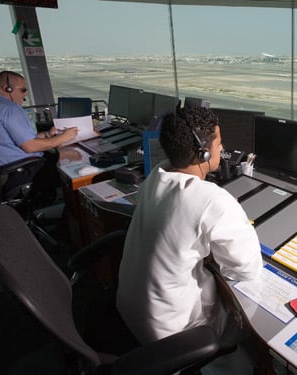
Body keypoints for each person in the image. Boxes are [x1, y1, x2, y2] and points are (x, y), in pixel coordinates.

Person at [116, 105, 263, 373]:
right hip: (172, 335)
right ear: (203, 152)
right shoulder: (213, 200)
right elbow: (246, 268)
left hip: (130, 311)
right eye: (218, 142)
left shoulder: (157, 176)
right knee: (246, 355)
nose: (221, 148)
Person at [0, 70, 79, 200]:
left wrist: (48, 134)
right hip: (23, 171)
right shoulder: (9, 109)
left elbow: (17, 139)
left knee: (62, 155)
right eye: (23, 90)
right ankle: (71, 210)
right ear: (7, 88)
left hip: (6, 170)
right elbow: (30, 146)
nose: (25, 95)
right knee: (75, 161)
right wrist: (64, 137)